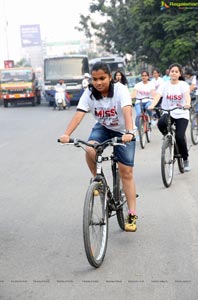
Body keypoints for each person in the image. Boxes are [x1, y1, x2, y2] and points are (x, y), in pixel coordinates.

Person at [59, 62, 138, 232]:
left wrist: (130, 132)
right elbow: (79, 113)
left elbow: (127, 110)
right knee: (89, 149)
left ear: (110, 77)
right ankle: (98, 180)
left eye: (102, 78)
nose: (98, 82)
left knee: (126, 173)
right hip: (103, 127)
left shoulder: (120, 89)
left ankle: (131, 213)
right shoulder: (89, 93)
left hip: (123, 131)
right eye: (95, 79)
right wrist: (66, 134)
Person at [148, 63, 191, 172]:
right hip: (168, 112)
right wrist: (152, 105)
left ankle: (185, 159)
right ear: (169, 72)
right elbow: (157, 96)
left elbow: (187, 96)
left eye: (176, 71)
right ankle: (168, 138)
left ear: (180, 74)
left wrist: (187, 103)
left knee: (180, 137)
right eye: (172, 71)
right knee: (160, 123)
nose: (174, 73)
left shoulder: (183, 85)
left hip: (182, 113)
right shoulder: (165, 85)